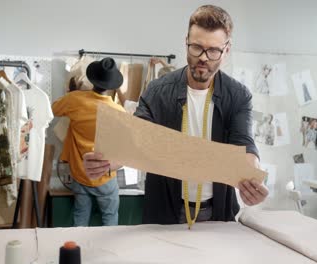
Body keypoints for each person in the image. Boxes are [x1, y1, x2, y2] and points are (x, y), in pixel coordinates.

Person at [83, 5, 268, 224]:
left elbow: (244, 143)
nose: (204, 58)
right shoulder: (157, 90)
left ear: (226, 50)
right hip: (165, 209)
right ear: (186, 42)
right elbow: (135, 138)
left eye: (214, 50)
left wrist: (252, 178)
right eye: (196, 47)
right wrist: (107, 162)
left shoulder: (238, 95)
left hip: (218, 212)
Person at [52, 57, 125, 226]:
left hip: (80, 172)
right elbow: (124, 148)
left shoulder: (75, 100)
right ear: (112, 86)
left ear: (92, 79)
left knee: (80, 216)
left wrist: (72, 95)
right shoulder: (119, 112)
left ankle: (78, 250)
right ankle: (108, 251)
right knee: (110, 217)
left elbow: (54, 109)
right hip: (105, 176)